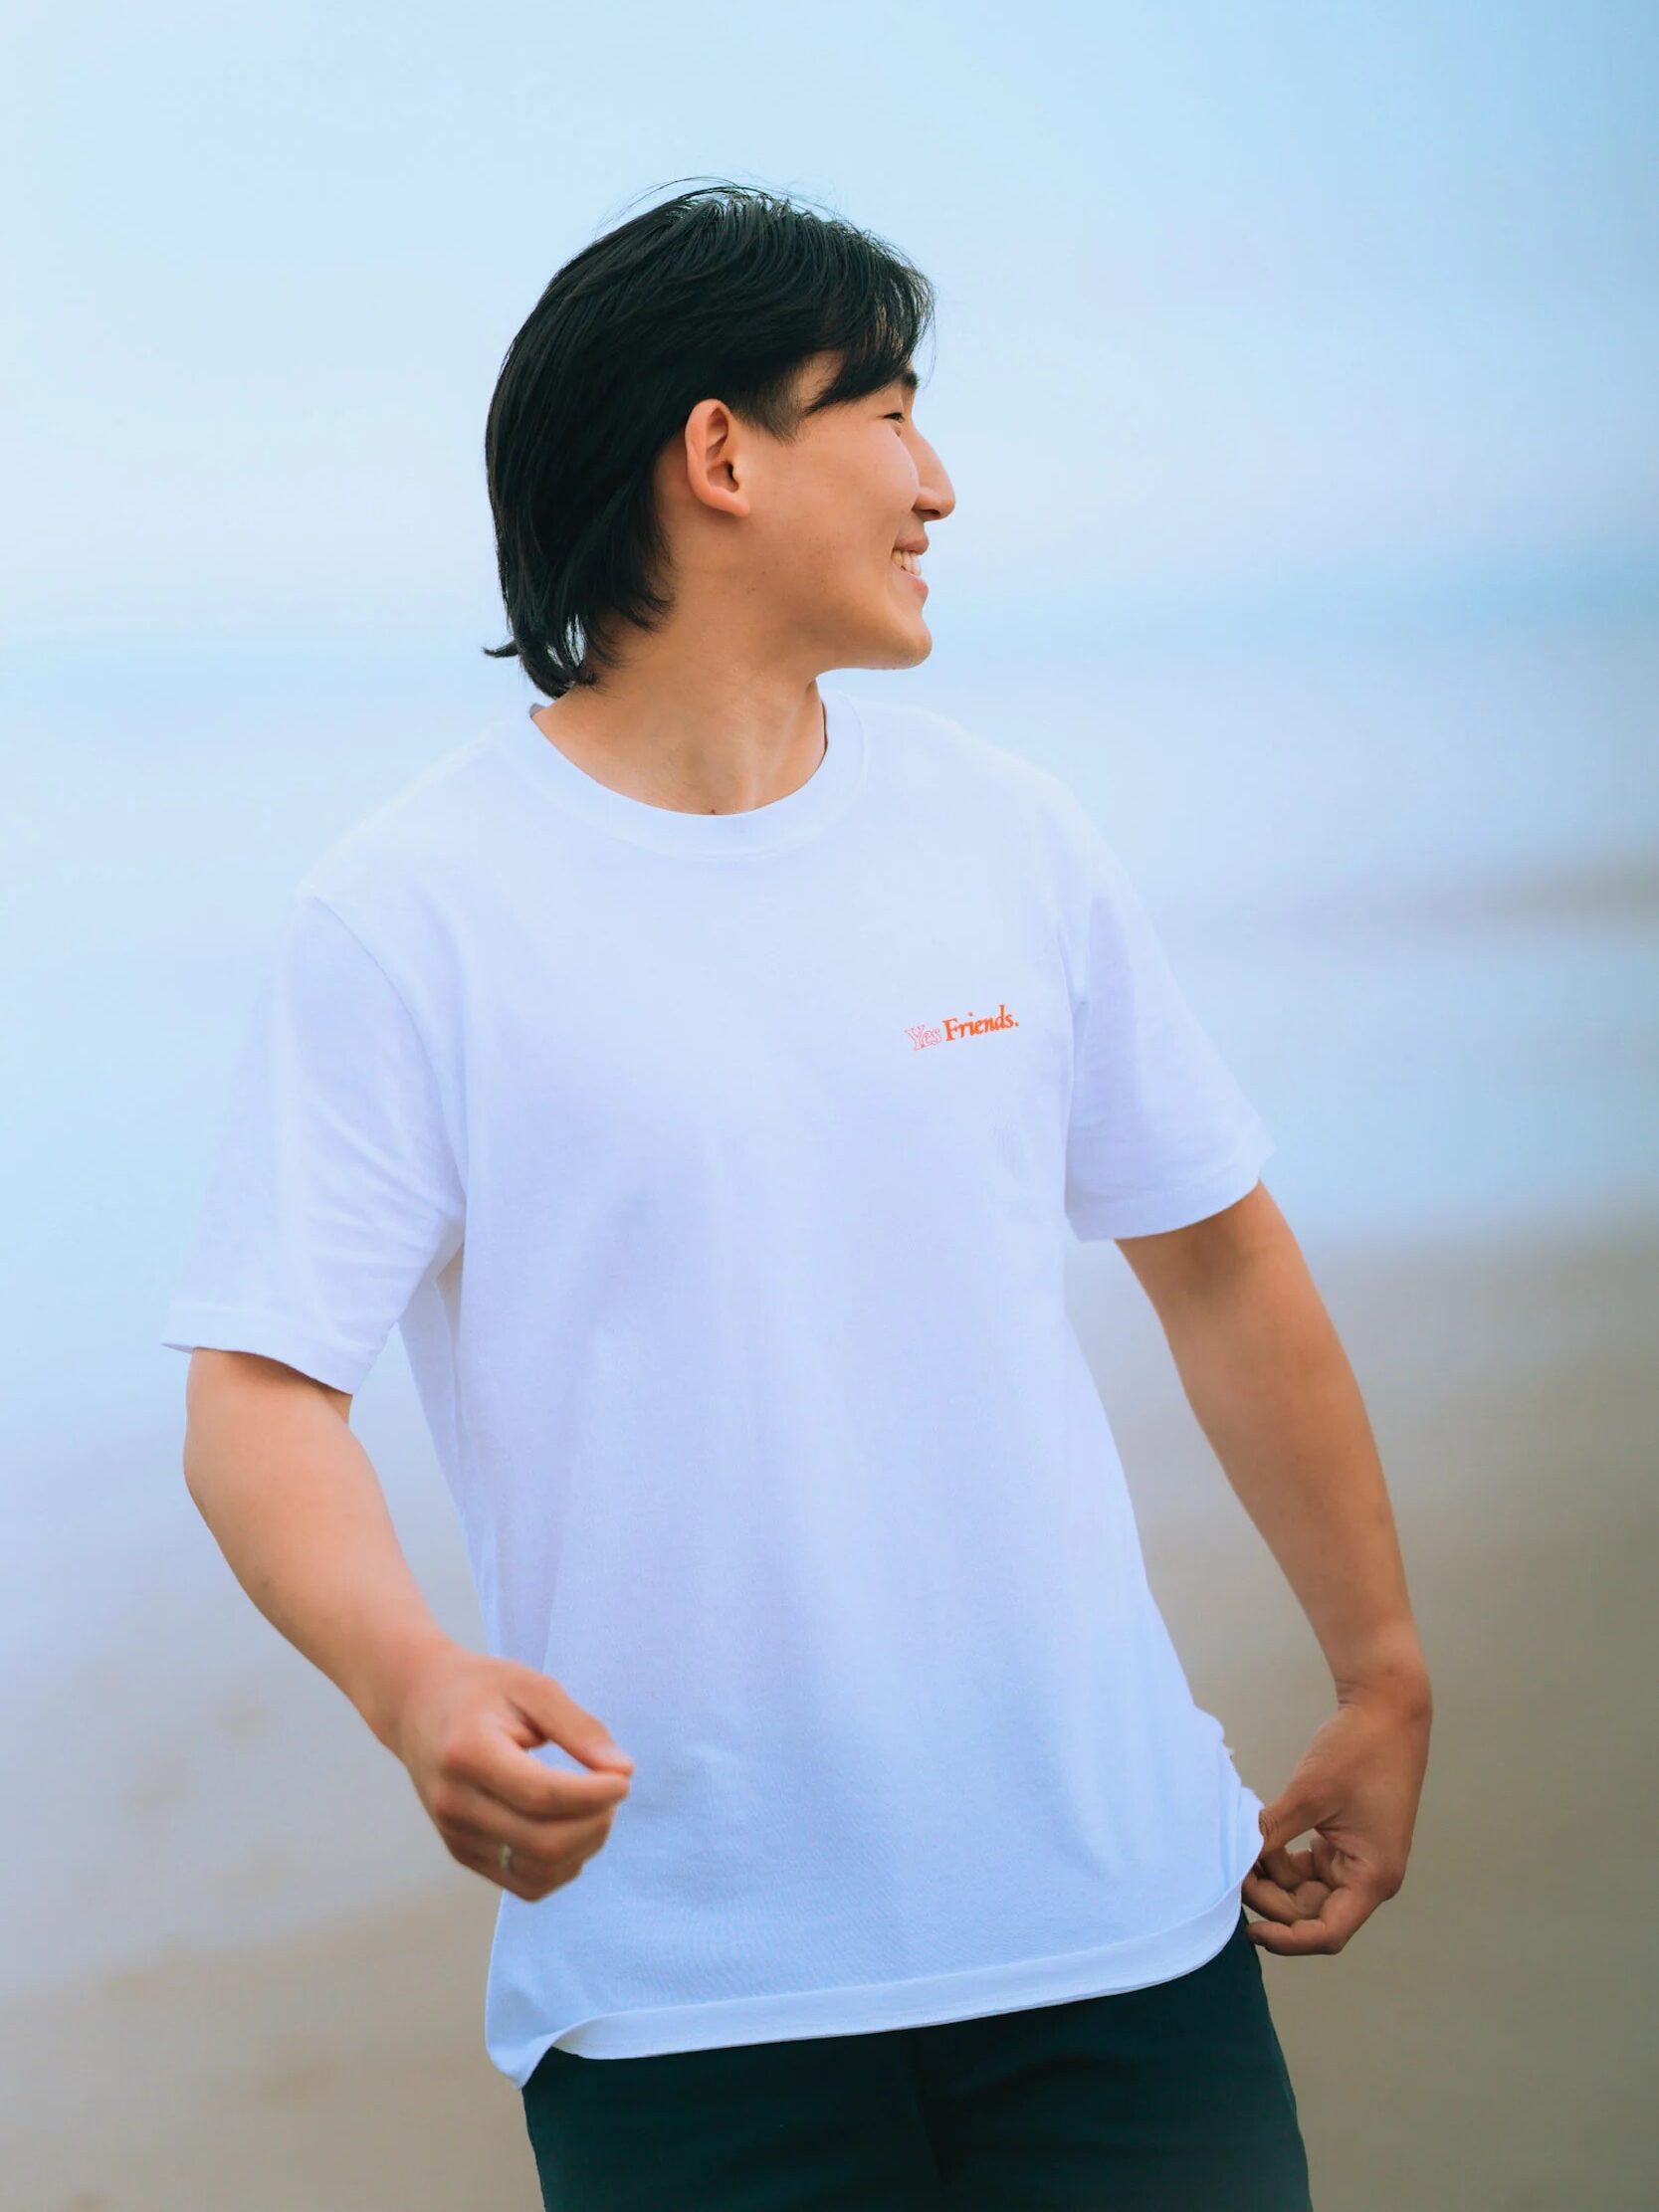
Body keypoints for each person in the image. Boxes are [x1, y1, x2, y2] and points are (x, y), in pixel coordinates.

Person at [163, 178, 1431, 2208]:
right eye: (892, 413)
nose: (941, 484)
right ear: (722, 453)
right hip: (686, 1997)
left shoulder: (1010, 836)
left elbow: (1217, 1258)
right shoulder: (413, 913)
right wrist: (415, 1680)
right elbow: (260, 1388)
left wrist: (1379, 1667)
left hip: (1123, 1934)